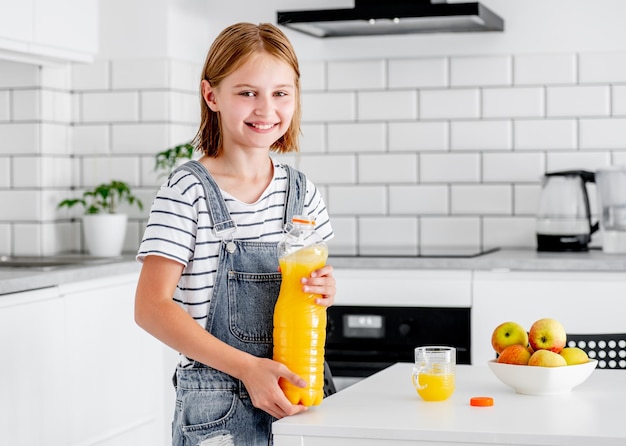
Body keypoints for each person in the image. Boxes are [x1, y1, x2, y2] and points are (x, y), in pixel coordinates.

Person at [134, 22, 336, 446]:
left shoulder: (303, 193)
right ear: (212, 96)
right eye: (247, 93)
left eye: (281, 93)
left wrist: (324, 288)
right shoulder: (186, 191)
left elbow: (306, 296)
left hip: (302, 392)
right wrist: (248, 369)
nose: (266, 109)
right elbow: (150, 308)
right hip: (219, 408)